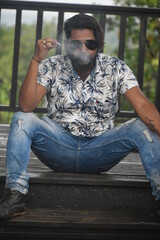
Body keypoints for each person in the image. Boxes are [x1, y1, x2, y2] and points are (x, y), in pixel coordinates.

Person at [0, 14, 160, 220]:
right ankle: (16, 194)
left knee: (142, 126)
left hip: (100, 150)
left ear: (99, 45)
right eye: (77, 44)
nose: (84, 50)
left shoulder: (115, 67)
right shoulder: (53, 65)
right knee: (22, 118)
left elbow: (143, 105)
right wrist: (37, 59)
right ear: (67, 44)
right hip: (58, 148)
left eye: (90, 43)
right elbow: (26, 105)